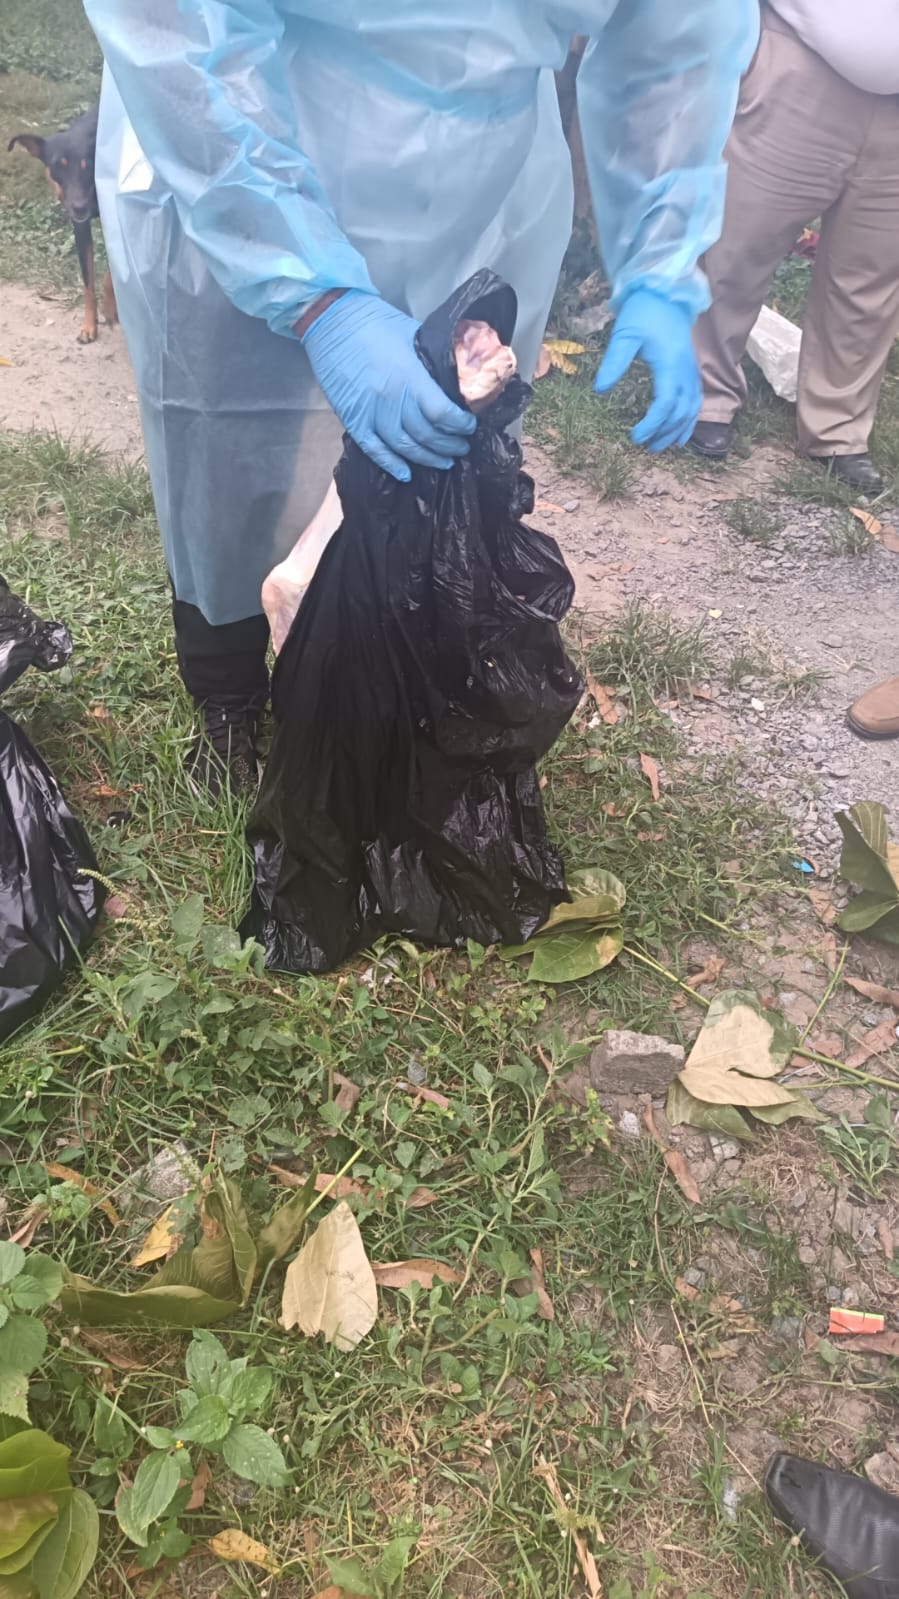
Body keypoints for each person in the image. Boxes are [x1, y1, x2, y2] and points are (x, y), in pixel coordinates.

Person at [84, 0, 756, 793]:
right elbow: (173, 23)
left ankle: (367, 674)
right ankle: (226, 689)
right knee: (230, 443)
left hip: (489, 169)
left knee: (437, 448)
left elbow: (676, 35)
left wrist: (660, 250)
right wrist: (314, 295)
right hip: (251, 128)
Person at [691, 2, 899, 494]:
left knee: (870, 276)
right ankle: (703, 396)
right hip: (801, 57)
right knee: (737, 244)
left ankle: (838, 430)